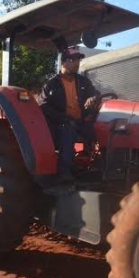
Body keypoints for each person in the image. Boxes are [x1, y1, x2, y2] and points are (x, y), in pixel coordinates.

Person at [38, 45, 102, 183]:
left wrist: (94, 97)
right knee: (68, 129)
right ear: (65, 62)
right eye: (74, 60)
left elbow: (95, 93)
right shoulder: (51, 84)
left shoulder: (83, 81)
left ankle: (97, 167)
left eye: (78, 60)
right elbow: (43, 106)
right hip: (61, 122)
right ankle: (64, 173)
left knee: (102, 130)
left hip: (82, 121)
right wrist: (64, 118)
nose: (77, 63)